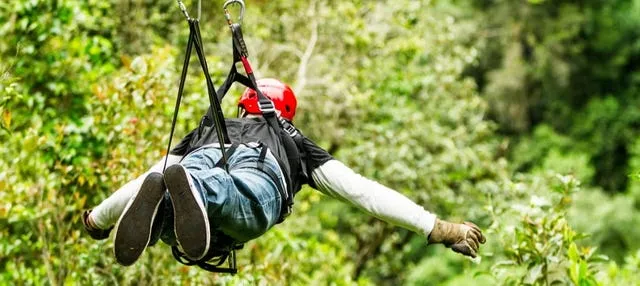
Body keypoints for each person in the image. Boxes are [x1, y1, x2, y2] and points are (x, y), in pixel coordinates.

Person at [82, 78, 486, 267]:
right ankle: (191, 194)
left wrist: (98, 220)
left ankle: (174, 203)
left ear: (242, 106)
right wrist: (437, 227)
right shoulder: (293, 140)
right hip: (257, 177)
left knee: (171, 174)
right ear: (286, 110)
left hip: (199, 159)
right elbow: (363, 192)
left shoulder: (210, 126)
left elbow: (150, 174)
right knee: (224, 188)